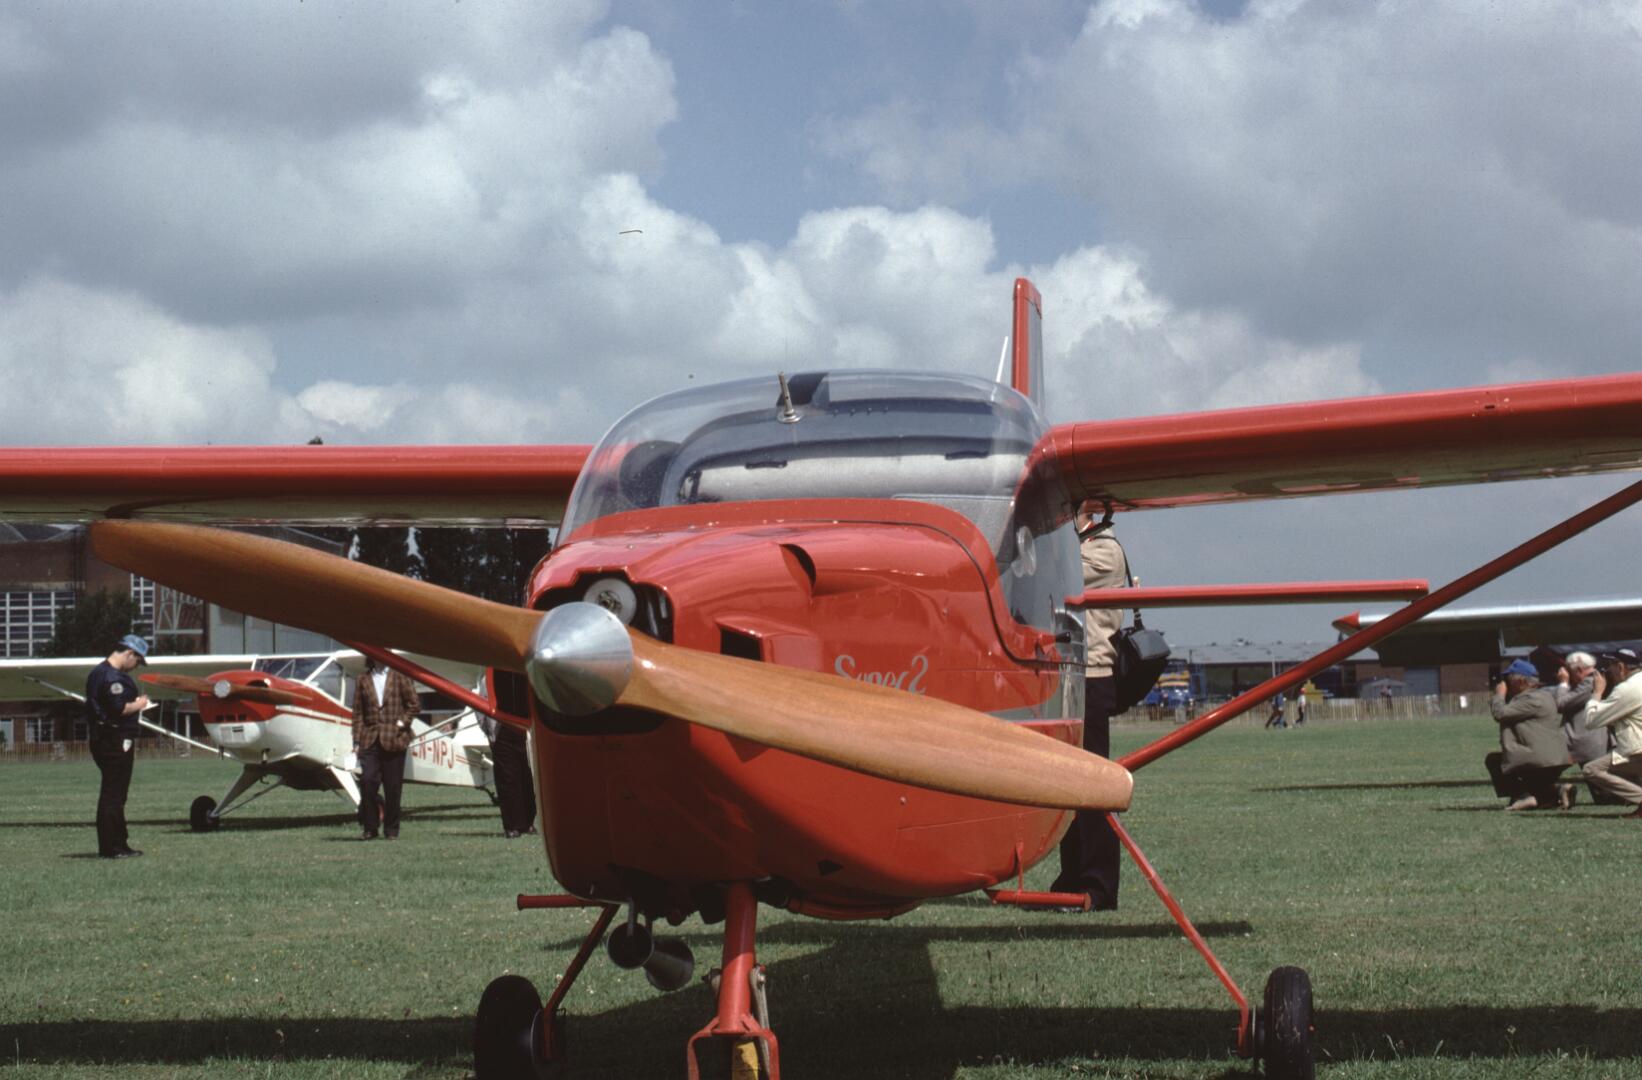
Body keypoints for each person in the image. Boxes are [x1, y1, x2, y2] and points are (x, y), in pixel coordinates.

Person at [1051, 504, 1126, 912]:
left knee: (1093, 788)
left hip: (1093, 677)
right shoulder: (1081, 546)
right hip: (1071, 675)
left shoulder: (1103, 551)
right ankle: (1071, 879)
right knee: (1068, 785)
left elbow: (1057, 573)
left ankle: (1099, 886)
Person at [85, 635, 152, 859]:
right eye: (137, 661)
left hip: (102, 738)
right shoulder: (114, 677)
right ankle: (112, 847)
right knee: (114, 795)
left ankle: (118, 844)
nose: (135, 667)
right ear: (129, 653)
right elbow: (119, 709)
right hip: (115, 740)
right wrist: (140, 704)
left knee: (113, 793)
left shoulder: (97, 672)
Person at [1485, 659, 1570, 810]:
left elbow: (1500, 713)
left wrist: (1499, 695)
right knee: (1539, 794)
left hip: (1540, 759)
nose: (1507, 684)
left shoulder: (1530, 699)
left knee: (1494, 760)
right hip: (1553, 757)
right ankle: (1559, 790)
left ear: (1522, 681)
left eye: (1509, 680)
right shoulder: (1543, 696)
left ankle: (1521, 796)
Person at [351, 657, 422, 840]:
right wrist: (356, 742)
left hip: (395, 738)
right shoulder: (362, 679)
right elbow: (357, 713)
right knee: (367, 781)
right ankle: (370, 828)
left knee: (393, 787)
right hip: (370, 739)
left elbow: (414, 704)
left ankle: (391, 830)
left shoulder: (400, 676)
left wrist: (401, 723)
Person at [1579, 648, 1642, 817]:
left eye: (1610, 665)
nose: (1608, 671)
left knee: (1591, 770)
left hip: (1638, 750)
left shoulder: (1627, 689)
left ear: (1621, 667)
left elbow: (1591, 720)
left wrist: (1597, 693)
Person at [1555, 652, 1612, 803]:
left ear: (1579, 670)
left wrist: (1563, 683)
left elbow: (1561, 704)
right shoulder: (1594, 680)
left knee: (1604, 795)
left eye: (1569, 671)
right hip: (1590, 742)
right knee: (1602, 794)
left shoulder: (1589, 683)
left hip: (1584, 742)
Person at [486, 716, 537, 838]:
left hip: (525, 730)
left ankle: (528, 823)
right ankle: (512, 826)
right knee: (507, 779)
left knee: (527, 779)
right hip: (501, 731)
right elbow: (482, 708)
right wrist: (491, 732)